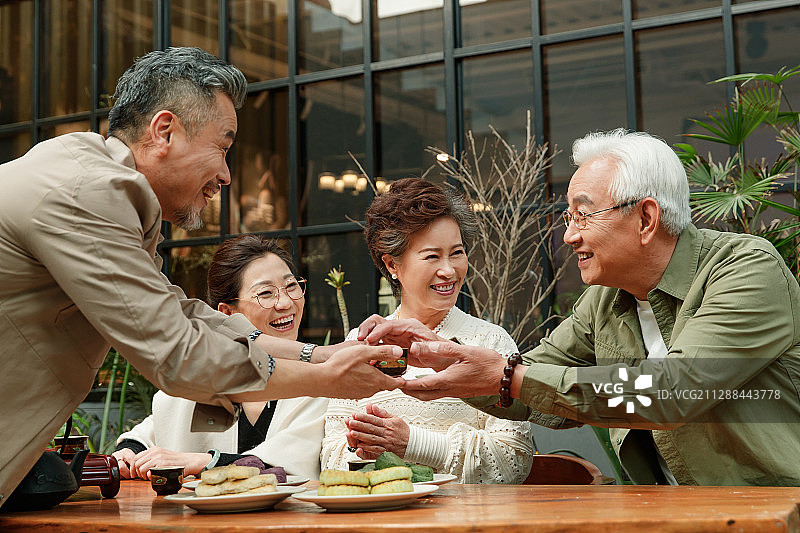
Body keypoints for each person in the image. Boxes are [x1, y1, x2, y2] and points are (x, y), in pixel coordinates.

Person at [0, 47, 401, 505]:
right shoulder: (86, 192)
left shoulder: (95, 181)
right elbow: (178, 355)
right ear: (165, 131)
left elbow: (185, 316)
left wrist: (322, 355)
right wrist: (329, 378)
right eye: (223, 148)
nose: (226, 175)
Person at [360, 129, 800, 486]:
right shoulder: (604, 300)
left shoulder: (746, 268)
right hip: (669, 512)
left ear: (646, 219)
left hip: (773, 511)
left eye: (583, 215)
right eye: (568, 218)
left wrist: (507, 376)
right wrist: (440, 355)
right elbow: (530, 386)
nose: (569, 236)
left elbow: (673, 391)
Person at [321, 178, 534, 484]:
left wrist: (413, 443)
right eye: (432, 256)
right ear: (392, 265)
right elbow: (332, 457)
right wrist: (367, 447)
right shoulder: (362, 343)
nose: (448, 270)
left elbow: (514, 461)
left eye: (457, 252)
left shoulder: (490, 340)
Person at [113, 236, 328, 480]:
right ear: (226, 313)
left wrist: (204, 462)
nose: (286, 303)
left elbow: (289, 464)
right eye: (266, 293)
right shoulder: (199, 380)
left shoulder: (323, 379)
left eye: (291, 286)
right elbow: (150, 431)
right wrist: (128, 453)